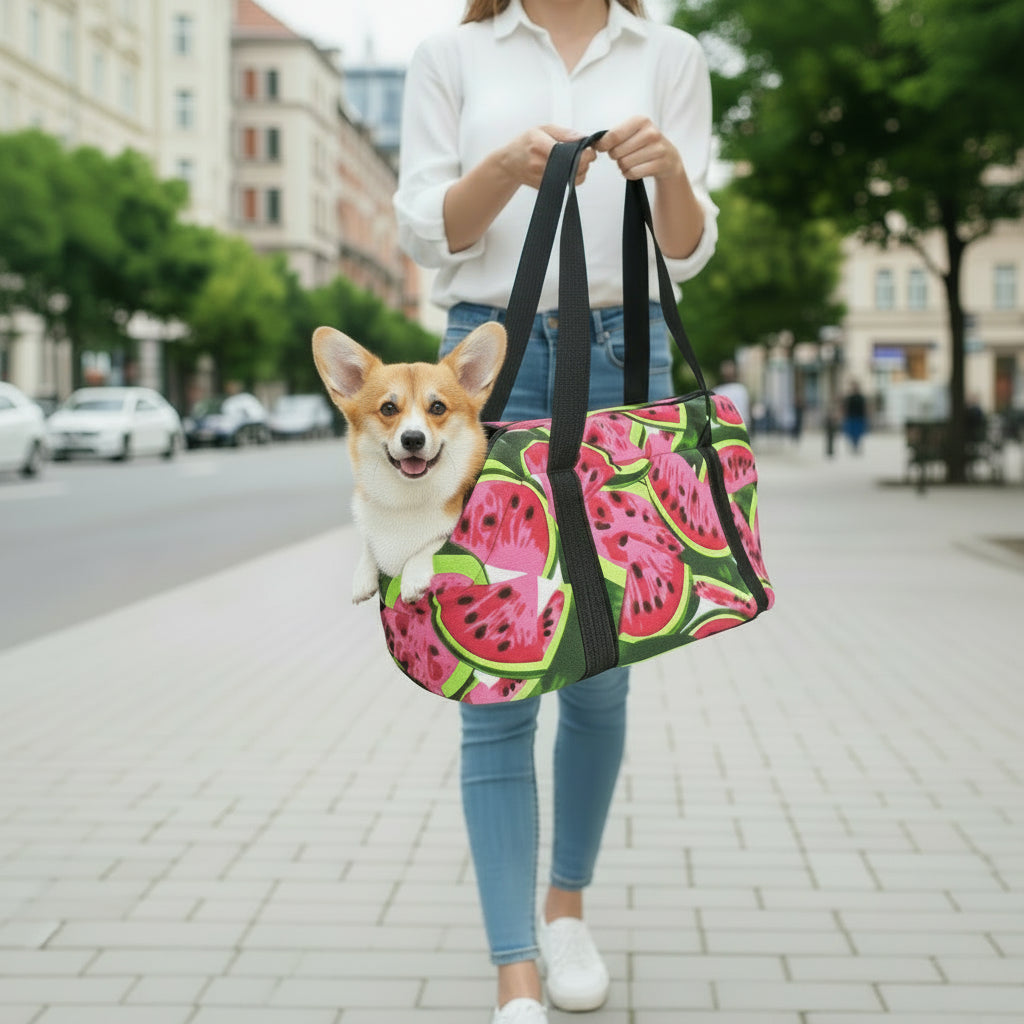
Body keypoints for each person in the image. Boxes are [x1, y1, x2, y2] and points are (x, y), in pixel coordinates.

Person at [394, 2, 718, 1021]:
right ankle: (514, 966)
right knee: (489, 670)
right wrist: (505, 169)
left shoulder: (669, 54)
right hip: (487, 355)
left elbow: (689, 249)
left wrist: (664, 169)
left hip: (631, 354)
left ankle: (566, 905)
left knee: (599, 661)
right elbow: (428, 228)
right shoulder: (451, 54)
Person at [842, 380, 868, 453]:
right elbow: (846, 408)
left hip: (859, 417)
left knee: (858, 434)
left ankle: (856, 446)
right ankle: (854, 446)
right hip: (851, 417)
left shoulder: (861, 398)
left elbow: (864, 408)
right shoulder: (850, 398)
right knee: (852, 434)